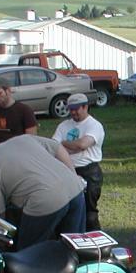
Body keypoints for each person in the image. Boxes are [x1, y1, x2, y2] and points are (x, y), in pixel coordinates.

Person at [0, 134, 85, 248]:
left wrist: (0, 238)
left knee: (29, 254)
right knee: (72, 246)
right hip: (75, 189)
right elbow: (58, 148)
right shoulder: (23, 139)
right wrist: (73, 175)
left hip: (45, 200)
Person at [51, 92, 104, 229]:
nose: (73, 112)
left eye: (76, 108)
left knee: (89, 213)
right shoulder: (63, 125)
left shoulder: (94, 126)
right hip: (66, 170)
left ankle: (95, 241)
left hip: (89, 171)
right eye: (71, 109)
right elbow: (53, 147)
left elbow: (82, 145)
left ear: (85, 107)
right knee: (66, 210)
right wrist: (69, 146)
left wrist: (64, 143)